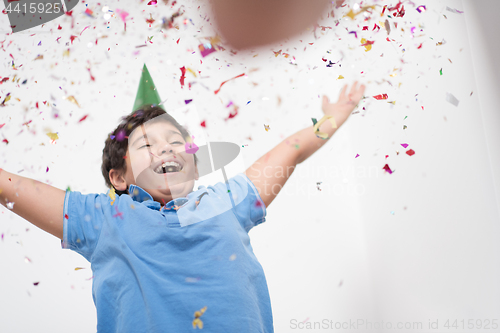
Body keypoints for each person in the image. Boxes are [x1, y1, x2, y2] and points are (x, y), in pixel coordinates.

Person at [0, 65, 365, 332]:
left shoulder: (227, 200)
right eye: (147, 145)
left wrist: (328, 122)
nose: (167, 150)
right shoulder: (102, 217)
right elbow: (10, 187)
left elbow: (287, 153)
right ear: (119, 177)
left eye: (176, 143)